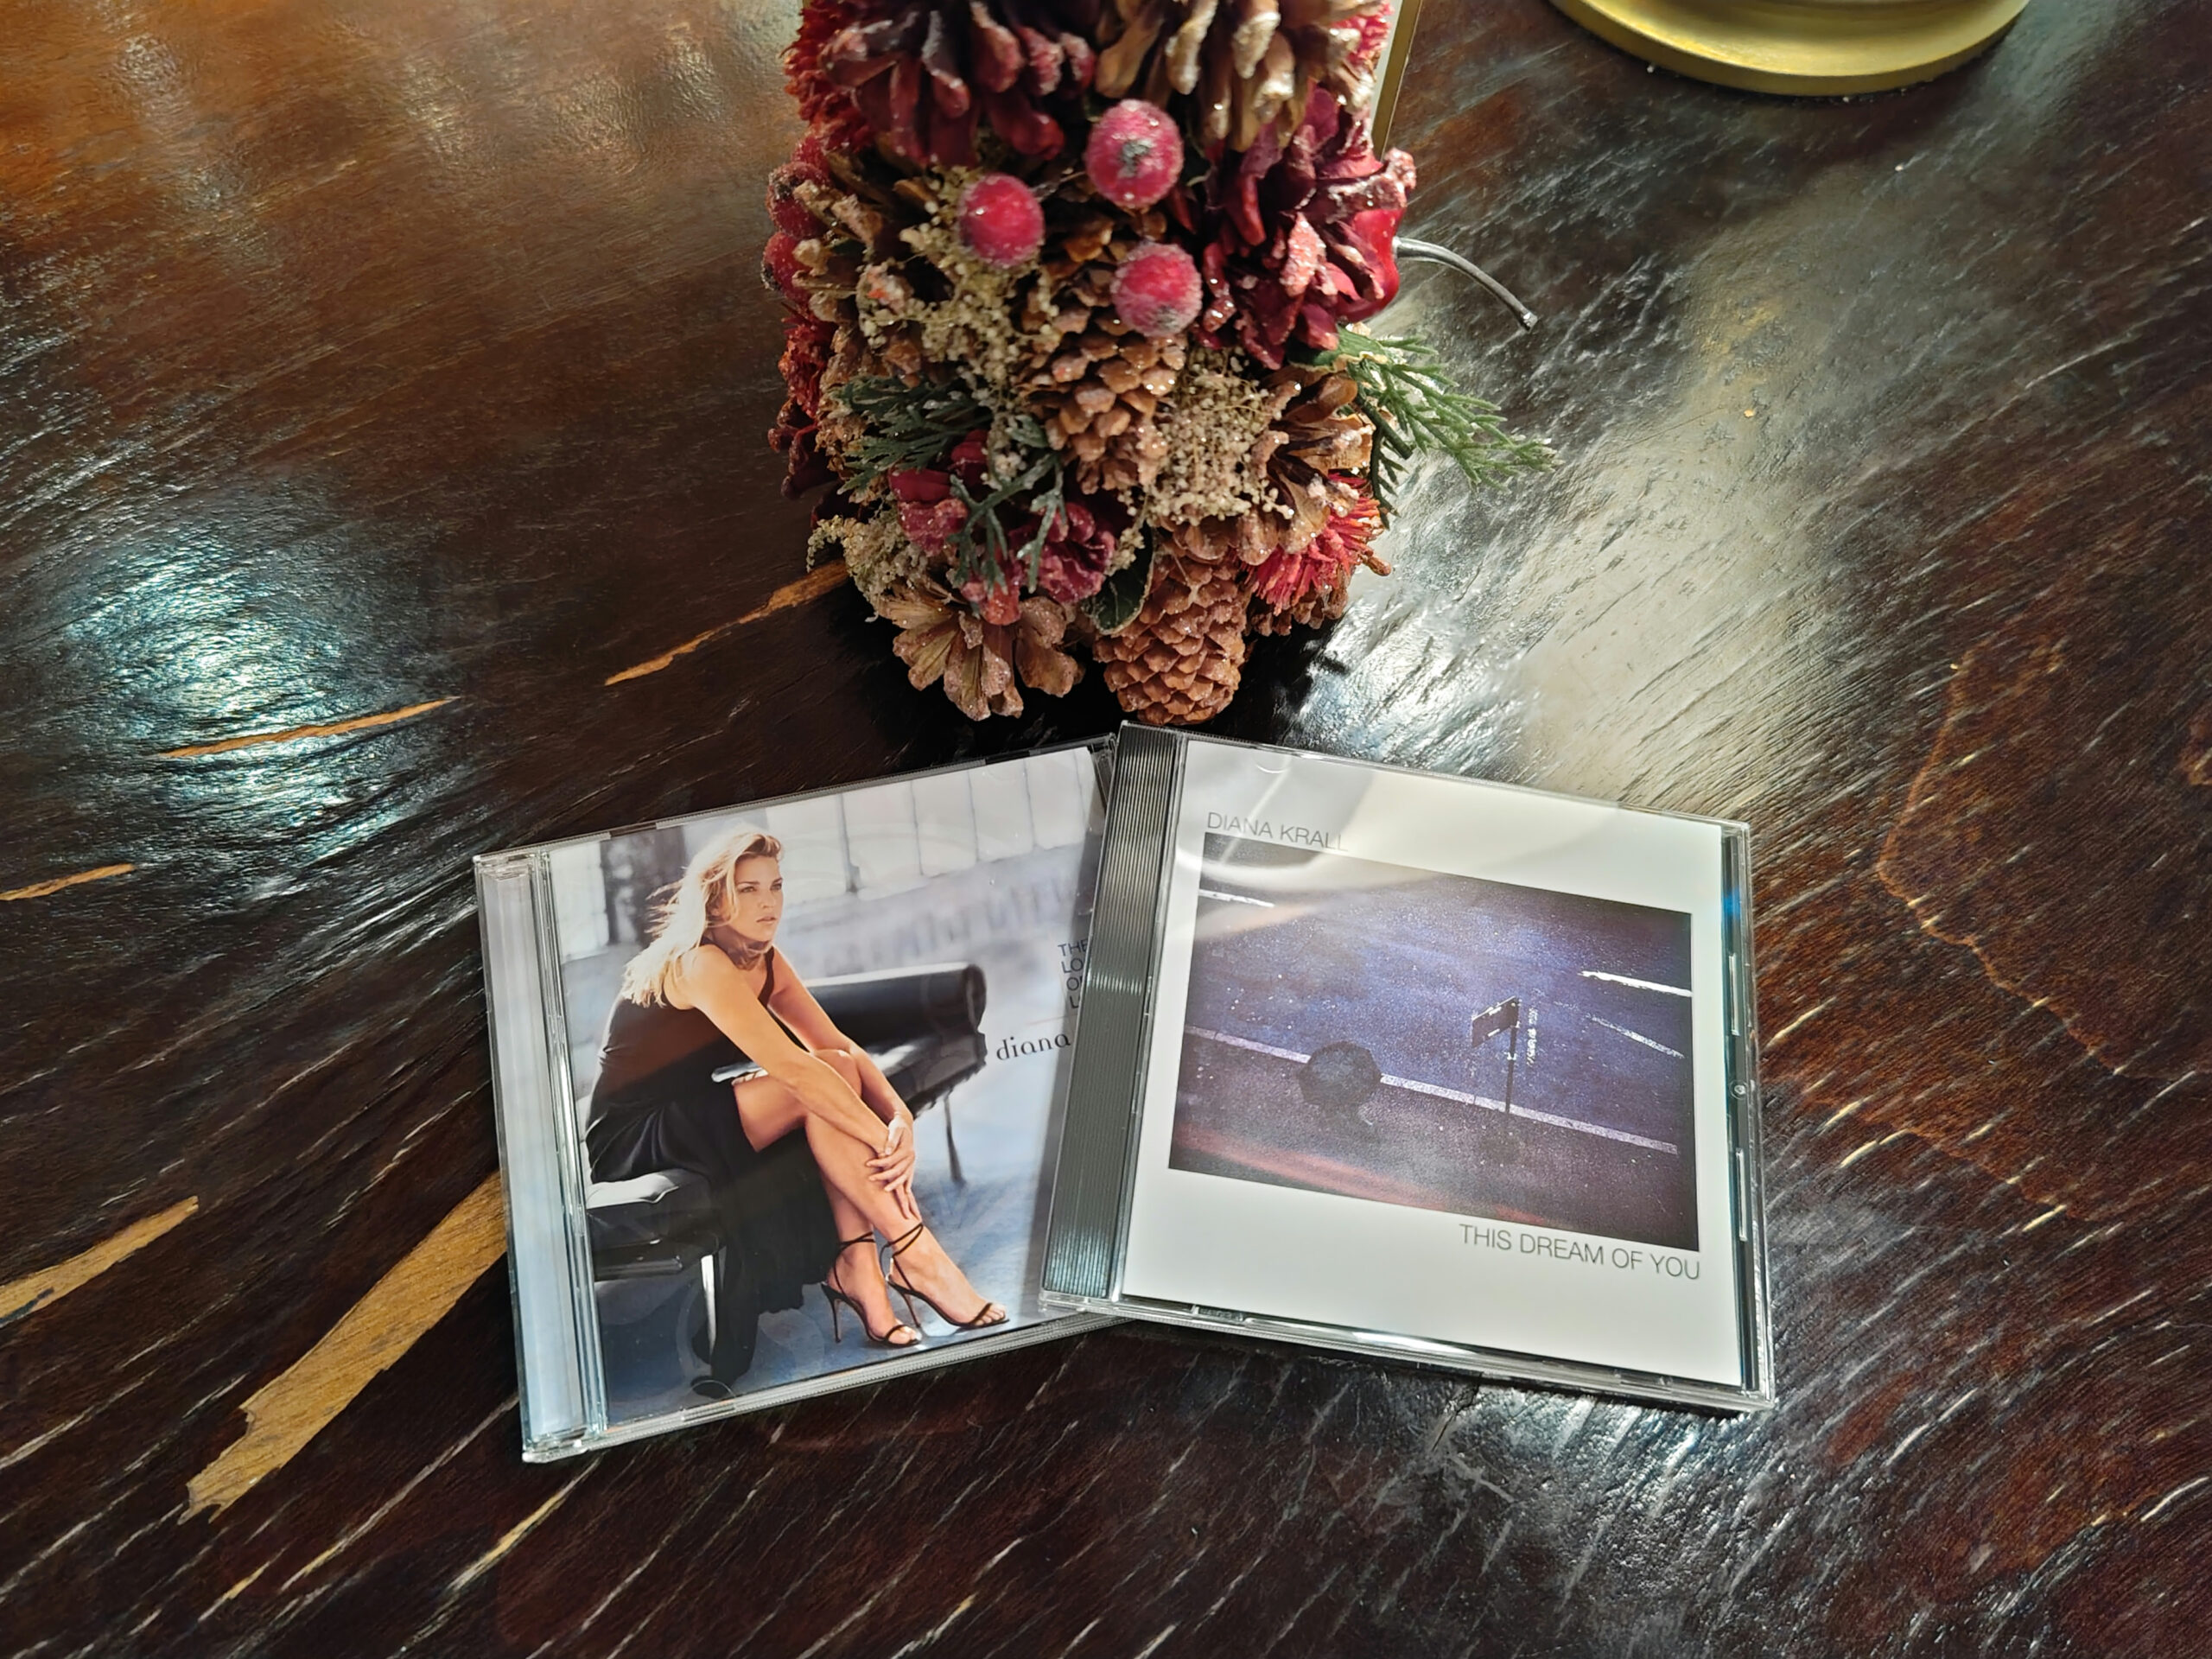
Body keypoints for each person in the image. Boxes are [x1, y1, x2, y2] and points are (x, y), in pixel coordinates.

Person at [585, 823, 1006, 1382]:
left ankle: (860, 1267)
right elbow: (792, 1068)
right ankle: (916, 1253)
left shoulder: (764, 960)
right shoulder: (699, 962)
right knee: (813, 1086)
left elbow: (838, 1048)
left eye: (775, 886)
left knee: (837, 1069)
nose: (768, 902)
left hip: (698, 1107)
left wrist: (899, 1118)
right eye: (748, 889)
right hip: (637, 1132)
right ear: (715, 899)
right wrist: (884, 1142)